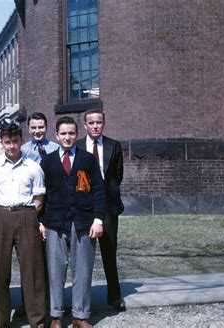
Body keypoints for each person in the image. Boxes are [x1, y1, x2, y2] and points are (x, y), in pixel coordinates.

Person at [40, 116, 107, 328]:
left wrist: (98, 220)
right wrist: (41, 221)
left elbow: (98, 191)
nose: (67, 137)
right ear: (56, 135)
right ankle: (56, 315)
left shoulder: (87, 159)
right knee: (56, 269)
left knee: (83, 268)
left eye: (71, 133)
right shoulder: (48, 162)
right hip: (55, 223)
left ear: (76, 134)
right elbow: (42, 195)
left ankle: (80, 314)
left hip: (83, 222)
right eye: (63, 134)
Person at [0, 122, 47, 328]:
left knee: (32, 271)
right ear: (1, 143)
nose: (11, 146)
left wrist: (25, 216)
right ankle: (2, 321)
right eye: (7, 142)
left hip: (26, 215)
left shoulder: (33, 167)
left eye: (15, 142)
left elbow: (38, 200)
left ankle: (37, 321)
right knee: (0, 272)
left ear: (21, 141)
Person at [76, 109, 126, 312]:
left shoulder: (114, 146)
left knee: (109, 251)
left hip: (107, 207)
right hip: (83, 206)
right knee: (81, 255)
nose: (95, 126)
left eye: (99, 122)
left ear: (104, 123)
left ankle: (114, 296)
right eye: (91, 122)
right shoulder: (78, 146)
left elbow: (117, 175)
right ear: (85, 125)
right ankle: (80, 300)